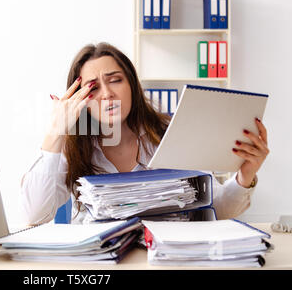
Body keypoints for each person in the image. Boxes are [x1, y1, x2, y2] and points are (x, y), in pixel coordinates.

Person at [20, 42, 269, 225]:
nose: (107, 94)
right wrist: (54, 134)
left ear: (132, 85)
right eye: (93, 87)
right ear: (80, 98)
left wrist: (245, 176)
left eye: (115, 80)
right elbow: (35, 215)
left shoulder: (168, 134)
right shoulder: (72, 147)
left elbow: (219, 208)